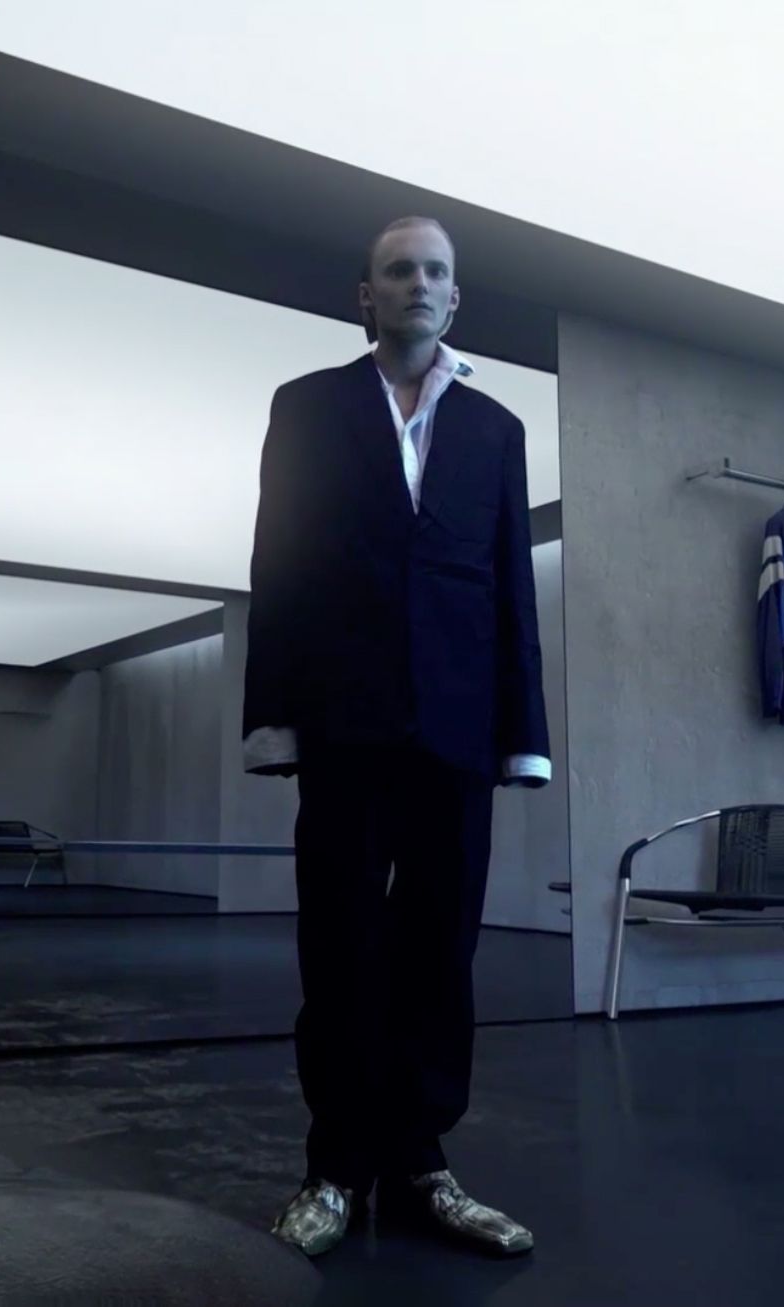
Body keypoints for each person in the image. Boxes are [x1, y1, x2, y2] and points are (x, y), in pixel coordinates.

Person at [246, 217, 550, 1258]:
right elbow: (279, 560)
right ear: (365, 295)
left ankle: (420, 1162)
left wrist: (521, 732)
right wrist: (272, 715)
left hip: (457, 729)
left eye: (434, 271)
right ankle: (335, 1166)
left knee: (440, 949)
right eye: (398, 270)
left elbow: (510, 584)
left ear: (454, 298)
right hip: (344, 719)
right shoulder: (307, 406)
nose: (417, 282)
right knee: (338, 944)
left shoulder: (497, 427)